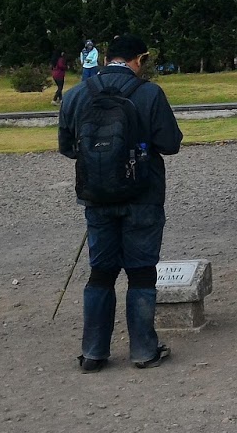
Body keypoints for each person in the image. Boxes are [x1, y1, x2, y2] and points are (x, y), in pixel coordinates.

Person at [57, 34, 183, 372]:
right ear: (138, 60)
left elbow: (68, 148)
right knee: (141, 273)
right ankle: (143, 350)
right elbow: (170, 144)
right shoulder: (149, 93)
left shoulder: (76, 95)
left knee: (101, 272)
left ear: (106, 57)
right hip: (143, 196)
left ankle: (94, 353)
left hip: (96, 198)